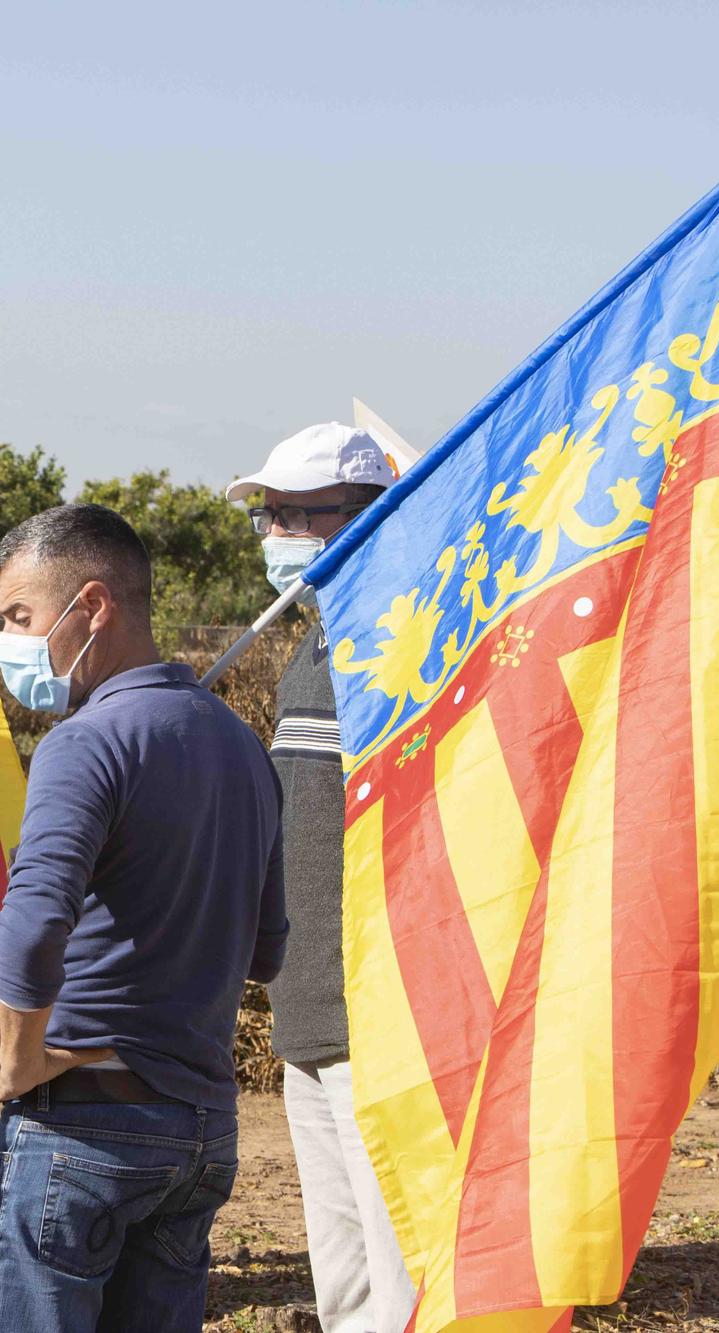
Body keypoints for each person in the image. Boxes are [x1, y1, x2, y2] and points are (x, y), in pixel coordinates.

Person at [0, 503, 288, 1332]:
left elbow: (35, 916)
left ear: (94, 605)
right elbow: (267, 951)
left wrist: (16, 1056)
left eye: (20, 617)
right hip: (201, 1127)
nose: (13, 643)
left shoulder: (86, 743)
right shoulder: (242, 744)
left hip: (84, 1120)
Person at [225, 423, 414, 1333]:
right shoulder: (315, 642)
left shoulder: (400, 639)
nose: (279, 534)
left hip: (376, 1013)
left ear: (370, 515)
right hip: (306, 1006)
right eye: (271, 515)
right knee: (343, 1275)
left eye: (303, 515)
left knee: (398, 1258)